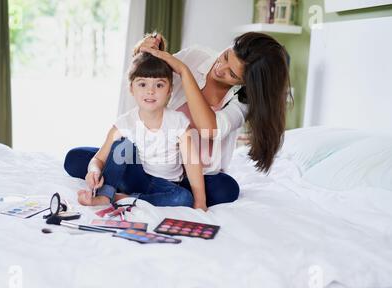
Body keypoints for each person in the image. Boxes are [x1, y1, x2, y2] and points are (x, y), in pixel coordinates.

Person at [65, 32, 291, 207]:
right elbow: (151, 79)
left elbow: (208, 129)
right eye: (224, 57)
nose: (219, 68)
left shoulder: (242, 102)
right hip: (150, 160)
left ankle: (127, 190)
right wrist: (149, 50)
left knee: (227, 190)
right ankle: (132, 187)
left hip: (193, 175)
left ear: (246, 83)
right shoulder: (197, 56)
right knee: (76, 159)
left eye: (232, 73)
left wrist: (184, 71)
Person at [76, 52, 207, 210]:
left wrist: (201, 202)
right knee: (123, 145)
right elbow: (98, 159)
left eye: (159, 85)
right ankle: (105, 195)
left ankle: (124, 198)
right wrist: (93, 170)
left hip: (165, 185)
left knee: (184, 198)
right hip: (134, 178)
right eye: (142, 84)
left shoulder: (178, 121)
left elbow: (192, 163)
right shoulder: (125, 122)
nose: (150, 91)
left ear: (170, 90)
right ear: (132, 88)